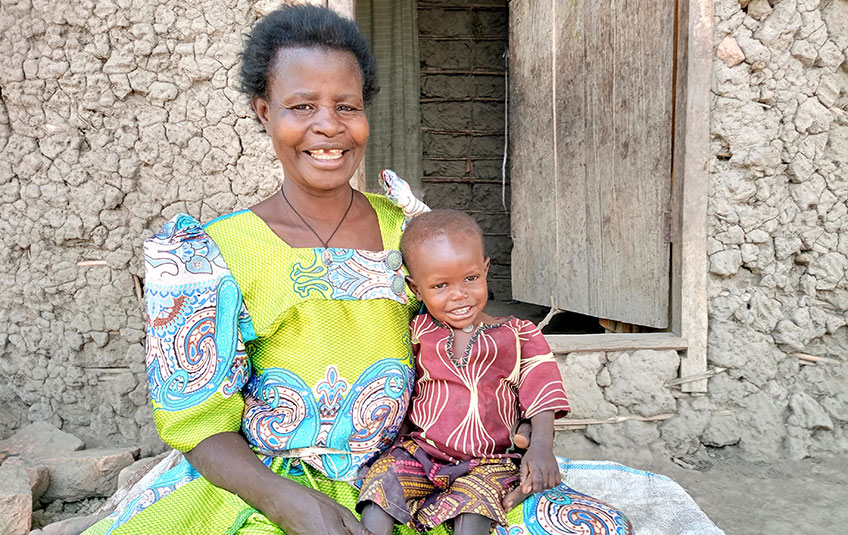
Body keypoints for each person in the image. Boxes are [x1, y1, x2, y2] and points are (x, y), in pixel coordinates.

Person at [84, 5, 632, 535]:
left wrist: (512, 437)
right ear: (263, 111)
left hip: (426, 470)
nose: (328, 127)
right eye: (302, 107)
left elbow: (472, 340)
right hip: (276, 482)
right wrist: (288, 504)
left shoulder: (411, 231)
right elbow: (198, 421)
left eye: (346, 106)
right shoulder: (212, 253)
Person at [357, 210, 569, 535]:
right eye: (440, 285)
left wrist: (541, 446)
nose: (459, 294)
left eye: (470, 278)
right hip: (422, 451)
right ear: (416, 289)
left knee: (475, 506)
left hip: (489, 461)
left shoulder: (517, 334)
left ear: (486, 270)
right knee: (382, 483)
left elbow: (542, 391)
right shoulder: (418, 330)